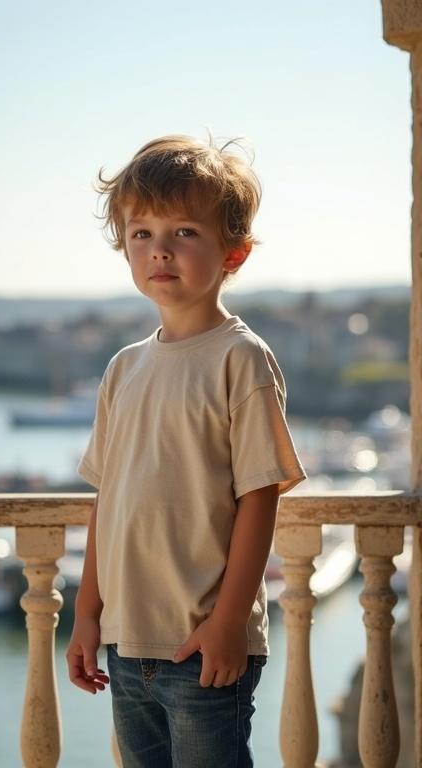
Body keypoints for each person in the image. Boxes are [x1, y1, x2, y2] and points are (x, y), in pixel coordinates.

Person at [66, 134, 307, 767]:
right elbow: (106, 505)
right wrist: (87, 615)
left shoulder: (240, 358)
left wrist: (228, 624)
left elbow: (260, 499)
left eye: (183, 232)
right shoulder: (123, 369)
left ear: (235, 252)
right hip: (125, 642)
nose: (159, 250)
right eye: (140, 233)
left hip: (201, 644)